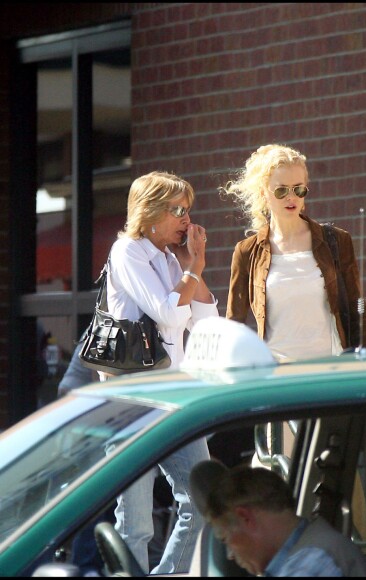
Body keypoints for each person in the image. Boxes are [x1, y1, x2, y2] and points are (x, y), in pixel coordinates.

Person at [103, 170, 219, 574]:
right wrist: (192, 270)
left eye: (188, 210)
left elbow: (204, 318)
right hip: (134, 396)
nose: (187, 219)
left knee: (205, 502)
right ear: (150, 211)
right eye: (178, 210)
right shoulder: (128, 252)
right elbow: (169, 314)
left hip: (176, 394)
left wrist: (192, 266)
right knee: (135, 524)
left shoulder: (172, 259)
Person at [222, 143, 366, 362]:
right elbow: (234, 325)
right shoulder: (247, 252)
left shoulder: (336, 241)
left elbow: (357, 309)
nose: (291, 197)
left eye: (298, 189)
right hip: (276, 374)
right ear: (264, 193)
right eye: (281, 190)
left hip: (330, 367)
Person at [189, 460, 366, 577]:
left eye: (225, 539)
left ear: (245, 518)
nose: (229, 554)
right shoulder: (310, 548)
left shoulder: (312, 564)